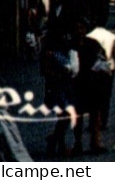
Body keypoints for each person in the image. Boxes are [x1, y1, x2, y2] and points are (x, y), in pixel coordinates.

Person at [41, 23, 78, 157]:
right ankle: (58, 143)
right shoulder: (49, 53)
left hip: (65, 86)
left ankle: (56, 141)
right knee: (64, 115)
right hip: (56, 87)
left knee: (65, 116)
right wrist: (62, 73)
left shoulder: (64, 50)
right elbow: (46, 71)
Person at [82, 20, 115, 153]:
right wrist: (114, 68)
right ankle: (103, 122)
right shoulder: (112, 36)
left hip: (87, 74)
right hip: (105, 71)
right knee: (105, 98)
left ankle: (82, 140)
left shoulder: (89, 37)